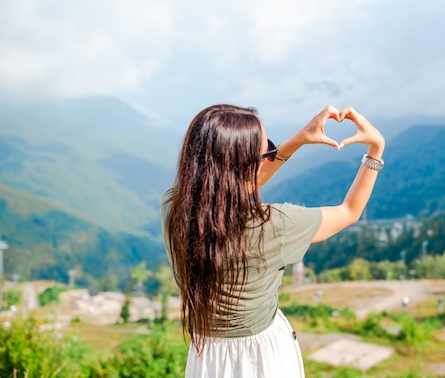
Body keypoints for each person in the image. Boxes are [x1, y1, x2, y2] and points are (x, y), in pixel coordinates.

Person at [160, 104, 385, 378]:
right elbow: (349, 211)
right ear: (245, 166)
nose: (270, 153)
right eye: (266, 149)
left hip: (206, 358)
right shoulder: (274, 226)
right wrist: (376, 149)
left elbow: (231, 185)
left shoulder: (175, 209)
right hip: (262, 359)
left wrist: (299, 139)